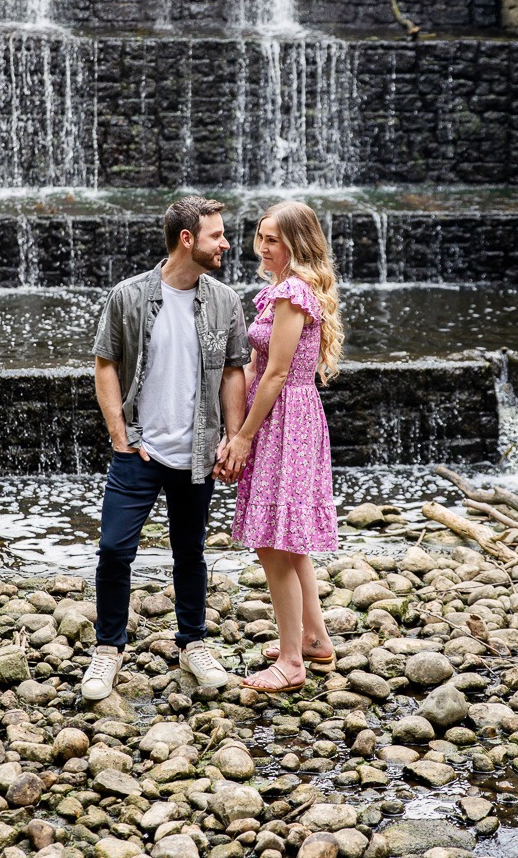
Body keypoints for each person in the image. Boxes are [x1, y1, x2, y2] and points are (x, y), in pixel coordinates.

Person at [81, 196, 249, 700]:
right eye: (216, 235)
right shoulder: (129, 296)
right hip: (139, 451)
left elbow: (234, 371)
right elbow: (105, 363)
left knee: (190, 553)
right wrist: (120, 437)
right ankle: (108, 650)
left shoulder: (225, 301)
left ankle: (192, 642)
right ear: (186, 239)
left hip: (197, 451)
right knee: (114, 549)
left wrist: (232, 438)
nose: (225, 243)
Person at [218, 201, 342, 693]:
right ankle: (314, 639)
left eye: (273, 239)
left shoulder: (293, 292)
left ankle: (291, 663)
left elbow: (276, 373)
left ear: (296, 242)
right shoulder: (276, 292)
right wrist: (227, 423)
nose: (263, 247)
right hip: (281, 416)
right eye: (260, 237)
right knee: (290, 540)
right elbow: (253, 366)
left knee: (272, 542)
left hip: (284, 420)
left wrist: (244, 436)